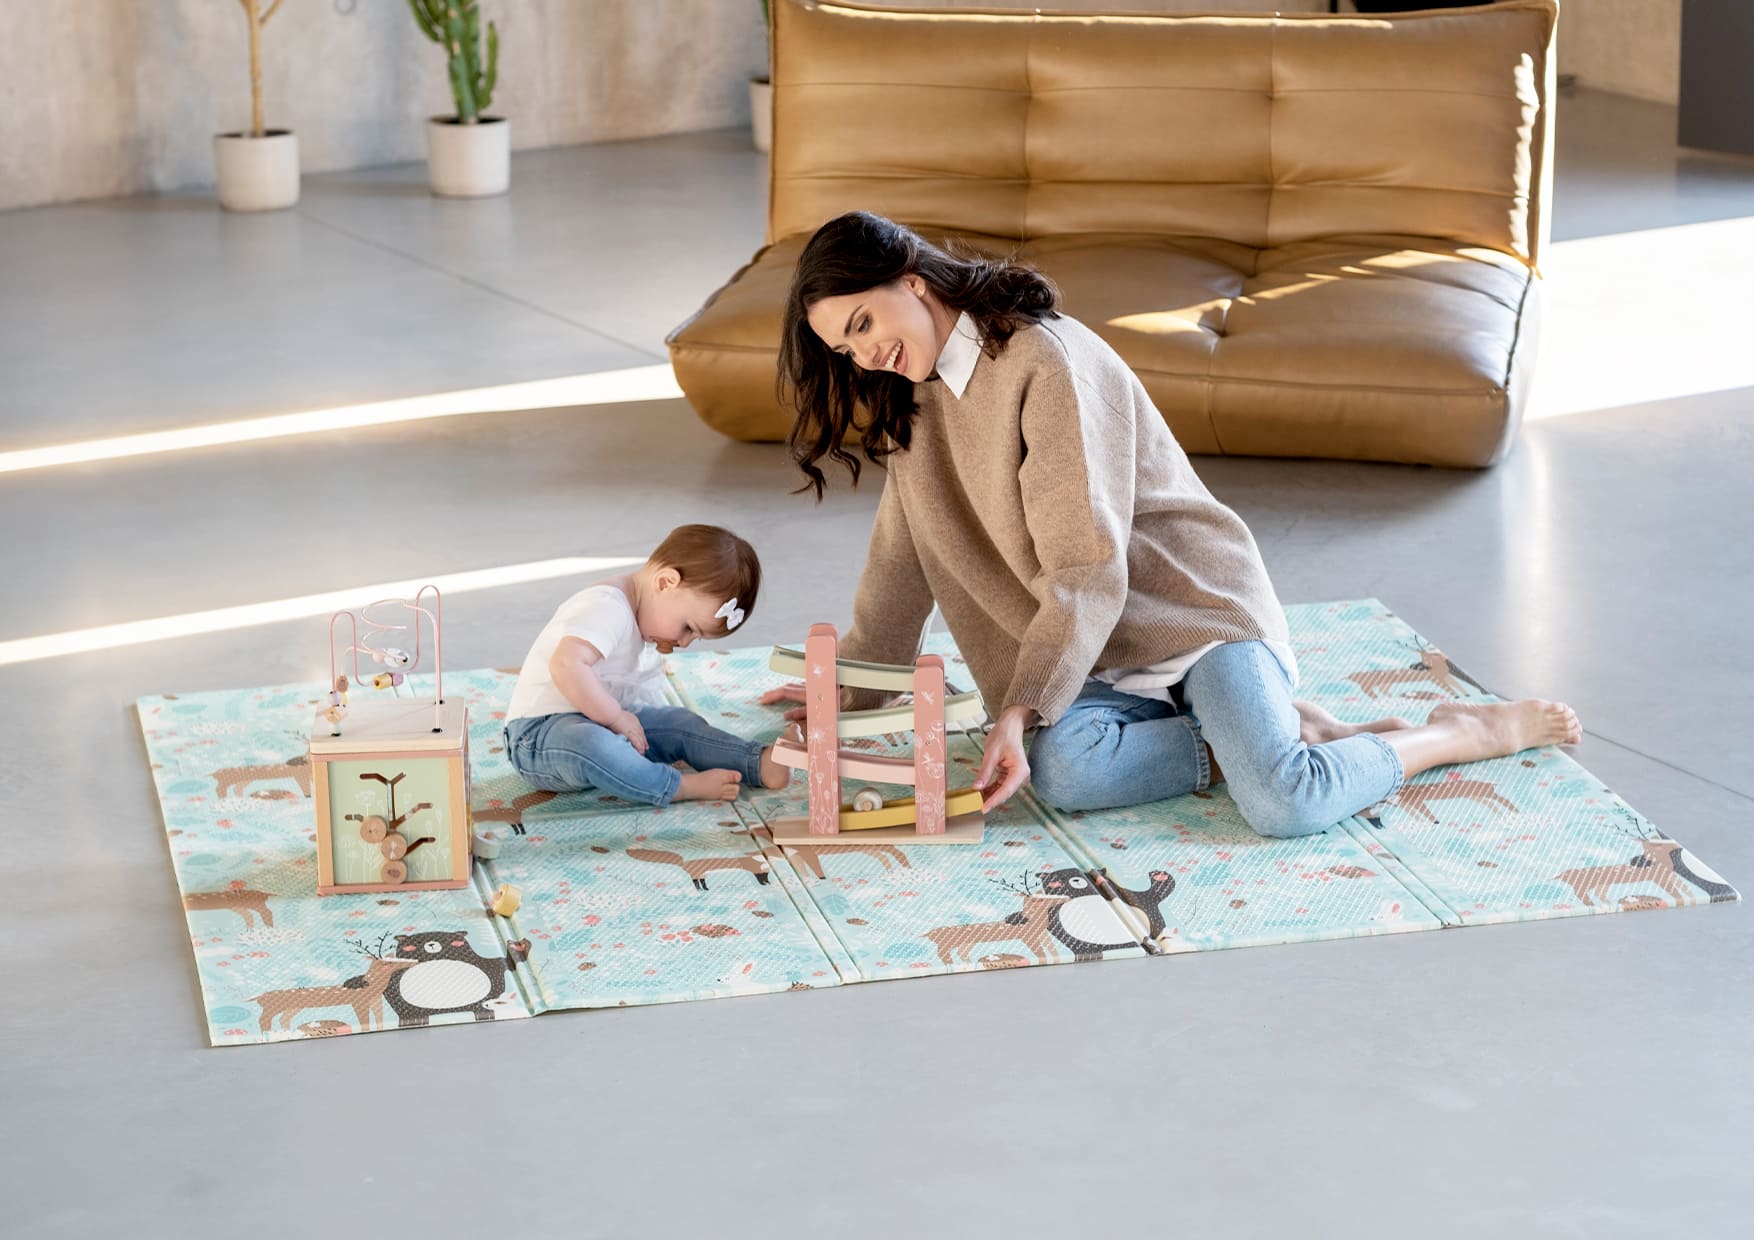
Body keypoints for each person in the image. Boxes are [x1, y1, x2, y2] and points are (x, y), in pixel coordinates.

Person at [760, 210, 1580, 837]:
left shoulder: (1044, 362)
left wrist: (1018, 707)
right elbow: (901, 566)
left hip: (1191, 616)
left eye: (861, 324)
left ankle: (1454, 734)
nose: (862, 356)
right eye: (842, 347)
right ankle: (1285, 730)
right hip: (1097, 655)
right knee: (1062, 772)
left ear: (910, 276)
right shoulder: (920, 403)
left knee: (1281, 802)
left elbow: (1087, 565)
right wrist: (854, 697)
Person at [505, 524, 791, 805]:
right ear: (665, 583)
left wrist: (637, 723)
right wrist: (616, 717)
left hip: (601, 721)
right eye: (688, 627)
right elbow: (567, 665)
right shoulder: (607, 607)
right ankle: (676, 786)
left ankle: (758, 763)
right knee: (594, 744)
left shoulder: (645, 615)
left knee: (680, 724)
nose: (685, 643)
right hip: (538, 738)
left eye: (695, 637)